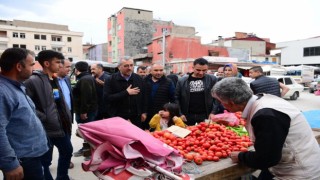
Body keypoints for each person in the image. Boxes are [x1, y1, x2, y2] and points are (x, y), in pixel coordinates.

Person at [211, 77, 320, 179]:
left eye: (221, 102)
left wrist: (240, 156)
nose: (221, 105)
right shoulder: (263, 99)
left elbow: (267, 159)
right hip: (290, 161)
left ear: (231, 103)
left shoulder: (265, 115)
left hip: (300, 172)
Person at [24, 50, 73, 180]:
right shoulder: (32, 81)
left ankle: (62, 177)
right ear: (46, 63)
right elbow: (26, 105)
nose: (60, 65)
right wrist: (43, 117)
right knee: (45, 160)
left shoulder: (55, 79)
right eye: (57, 62)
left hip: (61, 126)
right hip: (45, 128)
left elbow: (59, 103)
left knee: (67, 151)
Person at [0, 48, 48, 180]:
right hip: (22, 161)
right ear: (19, 66)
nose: (34, 69)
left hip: (31, 157)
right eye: (32, 65)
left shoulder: (15, 86)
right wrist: (10, 164)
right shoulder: (3, 91)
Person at [104, 57, 145, 128]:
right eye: (126, 66)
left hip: (136, 117)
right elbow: (107, 98)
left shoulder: (139, 79)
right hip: (117, 116)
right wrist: (126, 93)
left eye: (131, 65)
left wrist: (144, 112)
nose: (129, 68)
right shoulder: (110, 79)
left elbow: (144, 97)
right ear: (119, 67)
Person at [175, 58, 217, 126]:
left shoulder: (212, 79)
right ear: (193, 68)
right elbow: (176, 98)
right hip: (187, 115)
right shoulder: (182, 81)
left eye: (204, 70)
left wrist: (213, 112)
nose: (201, 73)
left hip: (206, 115)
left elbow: (217, 98)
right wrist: (180, 113)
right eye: (198, 70)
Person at [73, 61, 98, 157]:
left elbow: (86, 97)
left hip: (86, 112)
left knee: (87, 133)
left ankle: (90, 152)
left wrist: (84, 111)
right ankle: (86, 149)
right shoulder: (86, 78)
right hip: (87, 110)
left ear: (77, 69)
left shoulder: (85, 79)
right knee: (86, 133)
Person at [143, 63, 175, 130]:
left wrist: (169, 112)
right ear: (151, 71)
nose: (159, 72)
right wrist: (142, 112)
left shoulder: (169, 82)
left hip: (161, 115)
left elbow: (173, 99)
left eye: (161, 70)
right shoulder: (144, 81)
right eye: (156, 70)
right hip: (146, 114)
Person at [56, 59, 74, 169]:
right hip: (55, 118)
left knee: (67, 145)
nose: (69, 70)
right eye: (67, 67)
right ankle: (46, 166)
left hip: (68, 116)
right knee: (52, 144)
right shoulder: (51, 80)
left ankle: (66, 162)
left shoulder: (67, 79)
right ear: (59, 66)